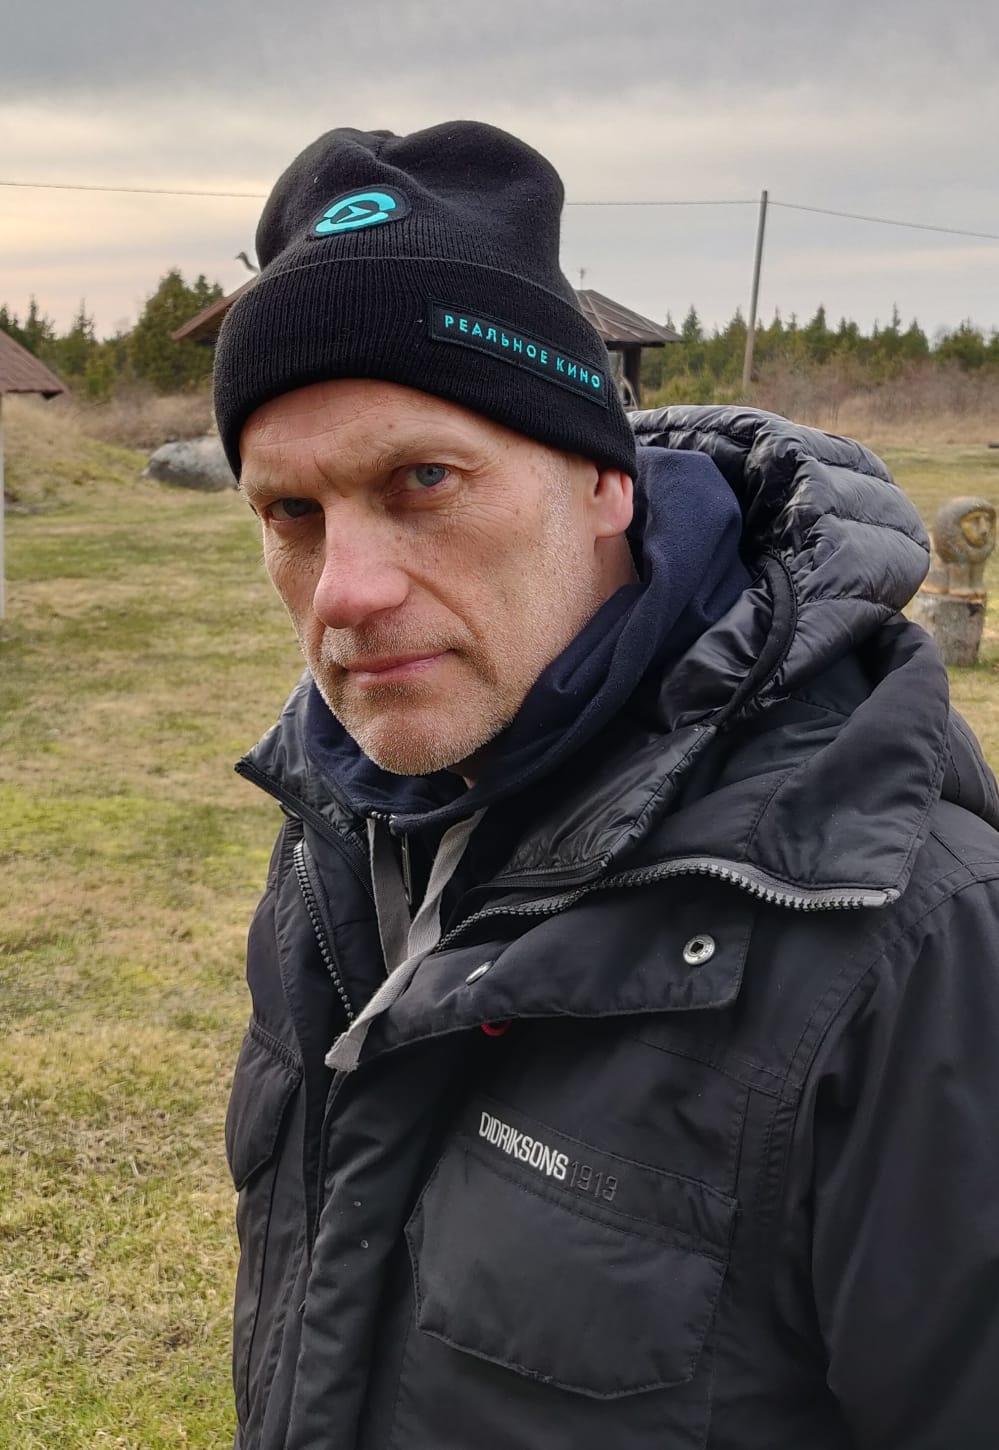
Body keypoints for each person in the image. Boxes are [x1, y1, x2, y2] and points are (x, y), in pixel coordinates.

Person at [212, 121, 999, 1450]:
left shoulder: (912, 944)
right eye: (291, 513)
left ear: (603, 482)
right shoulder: (340, 834)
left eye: (423, 480)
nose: (343, 590)